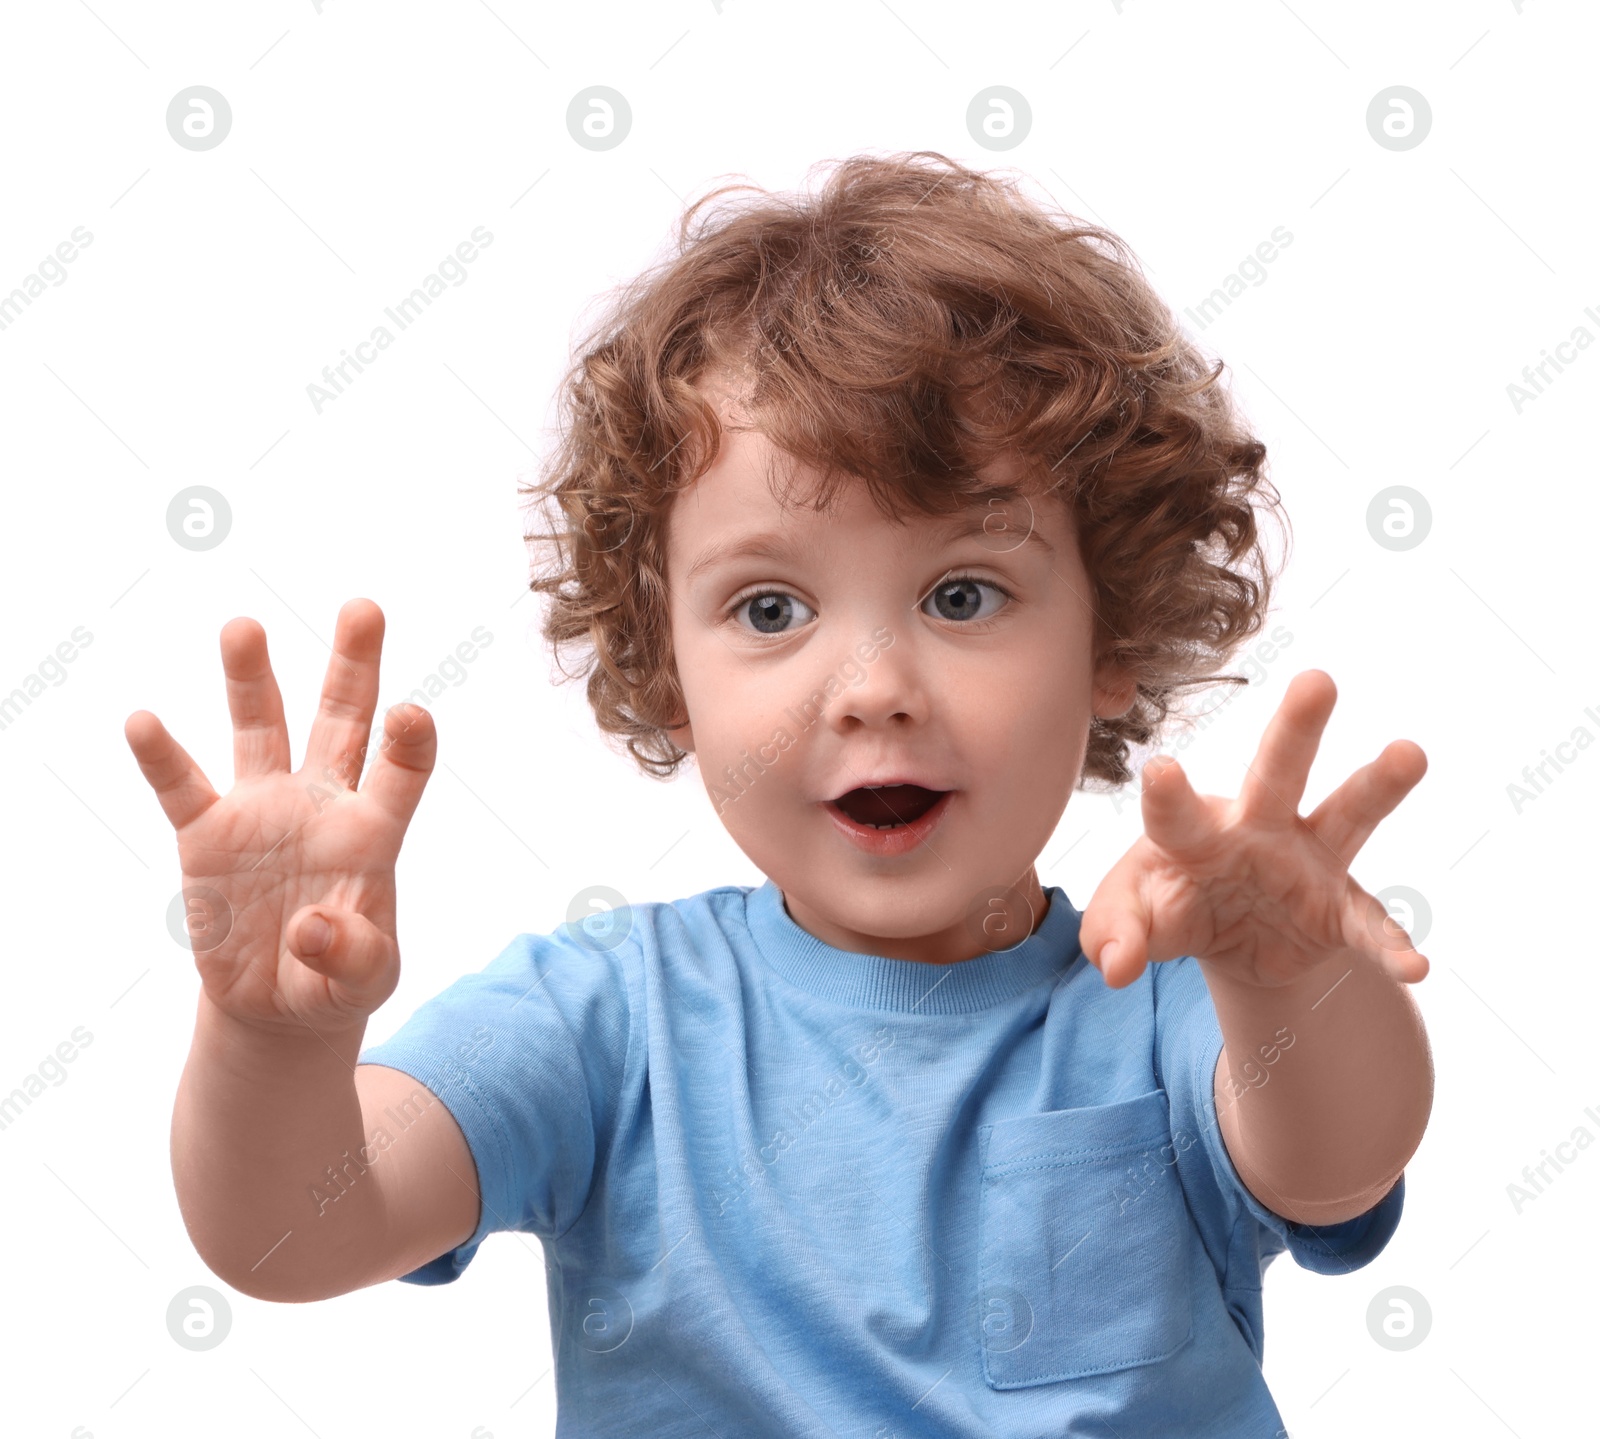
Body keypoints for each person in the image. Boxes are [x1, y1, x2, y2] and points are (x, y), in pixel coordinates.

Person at [126, 151, 1433, 1436]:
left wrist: (1288, 973)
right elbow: (292, 1234)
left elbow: (1339, 1159)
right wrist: (272, 1043)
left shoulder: (1158, 999)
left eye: (961, 594)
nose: (870, 687)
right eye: (771, 608)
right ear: (669, 667)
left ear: (1111, 641)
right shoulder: (602, 1026)